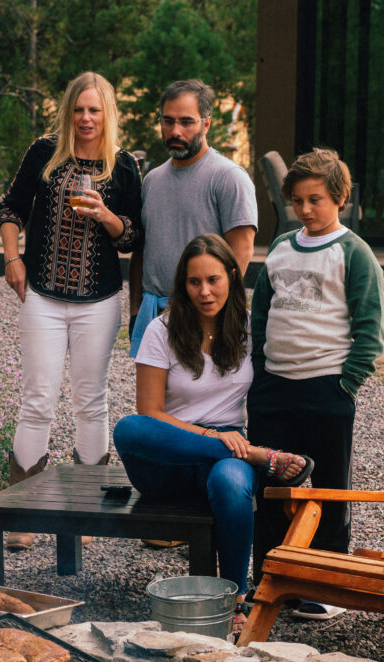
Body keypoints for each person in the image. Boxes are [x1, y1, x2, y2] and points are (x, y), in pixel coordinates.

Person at [114, 235, 313, 634]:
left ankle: (236, 598)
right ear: (182, 285)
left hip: (227, 455)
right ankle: (260, 457)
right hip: (169, 455)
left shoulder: (249, 331)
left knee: (230, 482)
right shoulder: (161, 329)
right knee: (127, 429)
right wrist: (213, 437)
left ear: (232, 278)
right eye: (193, 282)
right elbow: (149, 413)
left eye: (214, 279)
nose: (204, 291)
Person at [0, 71, 142, 551]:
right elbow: (10, 208)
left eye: (94, 110)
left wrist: (105, 215)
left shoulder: (123, 167)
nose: (85, 118)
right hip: (41, 295)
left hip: (98, 302)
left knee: (91, 400)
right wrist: (12, 257)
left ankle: (84, 512)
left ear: (107, 115)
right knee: (37, 398)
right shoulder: (44, 152)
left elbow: (132, 237)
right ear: (67, 112)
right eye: (78, 109)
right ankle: (21, 511)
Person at [246, 147, 384, 620]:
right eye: (298, 201)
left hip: (326, 389)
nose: (306, 210)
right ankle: (269, 575)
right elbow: (261, 311)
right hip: (273, 389)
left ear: (340, 198)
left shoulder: (354, 253)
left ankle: (324, 582)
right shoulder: (283, 247)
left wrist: (348, 383)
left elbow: (369, 327)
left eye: (316, 200)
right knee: (269, 487)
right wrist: (260, 367)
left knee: (326, 485)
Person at [127, 78, 257, 358]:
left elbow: (241, 251)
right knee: (153, 400)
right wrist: (135, 309)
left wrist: (211, 311)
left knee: (200, 399)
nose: (175, 130)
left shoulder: (228, 178)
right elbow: (142, 250)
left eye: (186, 121)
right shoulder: (152, 181)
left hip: (204, 316)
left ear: (206, 124)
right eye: (168, 121)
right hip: (152, 315)